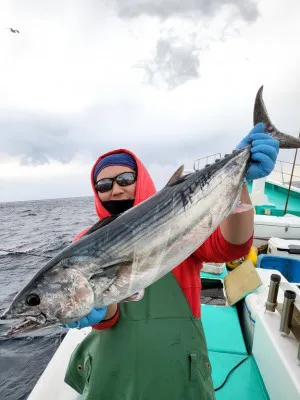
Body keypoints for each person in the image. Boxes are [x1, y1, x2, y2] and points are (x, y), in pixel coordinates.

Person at [64, 122, 279, 400]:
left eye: (126, 180)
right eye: (104, 185)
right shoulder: (84, 243)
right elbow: (108, 317)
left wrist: (241, 182)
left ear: (140, 180)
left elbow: (232, 246)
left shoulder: (179, 220)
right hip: (114, 372)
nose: (116, 190)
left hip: (180, 370)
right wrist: (93, 307)